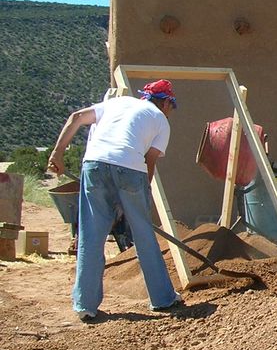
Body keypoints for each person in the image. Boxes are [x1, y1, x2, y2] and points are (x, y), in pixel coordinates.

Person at [47, 80, 183, 321]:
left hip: (94, 165)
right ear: (165, 102)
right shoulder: (160, 119)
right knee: (143, 236)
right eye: (171, 105)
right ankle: (163, 299)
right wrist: (139, 200)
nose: (170, 110)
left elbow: (77, 117)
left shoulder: (115, 103)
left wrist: (57, 153)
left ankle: (85, 305)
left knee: (90, 236)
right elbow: (149, 163)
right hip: (131, 169)